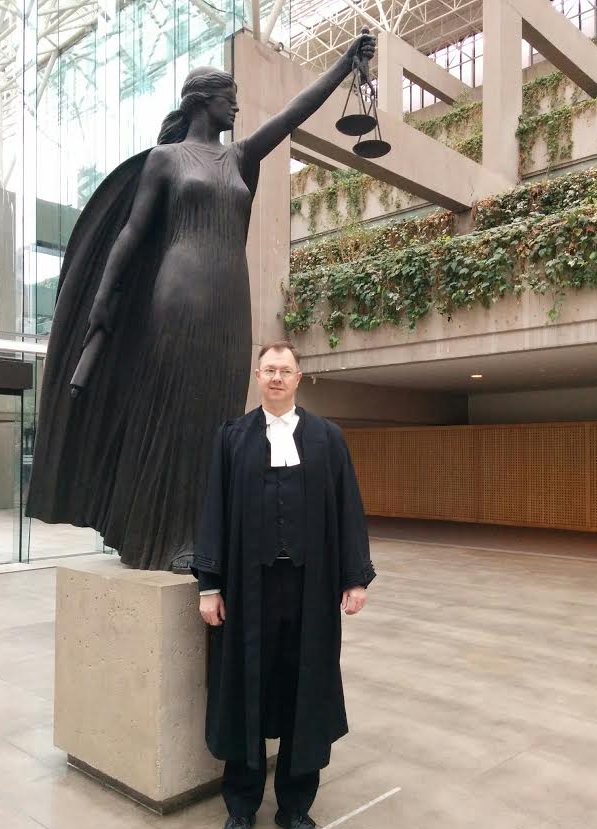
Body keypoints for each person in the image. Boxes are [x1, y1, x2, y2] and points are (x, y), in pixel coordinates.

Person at [26, 35, 376, 571]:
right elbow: (130, 235)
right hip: (179, 295)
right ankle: (154, 534)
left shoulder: (239, 158)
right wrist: (102, 302)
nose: (236, 105)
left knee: (216, 414)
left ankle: (200, 533)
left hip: (229, 301)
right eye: (228, 97)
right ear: (201, 101)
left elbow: (291, 115)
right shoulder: (167, 160)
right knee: (174, 409)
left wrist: (343, 65)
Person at [192, 341, 375, 829]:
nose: (276, 378)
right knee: (245, 690)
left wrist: (354, 577)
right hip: (247, 594)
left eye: (285, 371)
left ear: (299, 378)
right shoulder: (231, 438)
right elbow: (213, 509)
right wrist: (210, 584)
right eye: (269, 370)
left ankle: (297, 808)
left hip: (311, 592)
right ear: (257, 376)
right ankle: (241, 808)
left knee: (305, 692)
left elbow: (348, 510)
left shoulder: (327, 438)